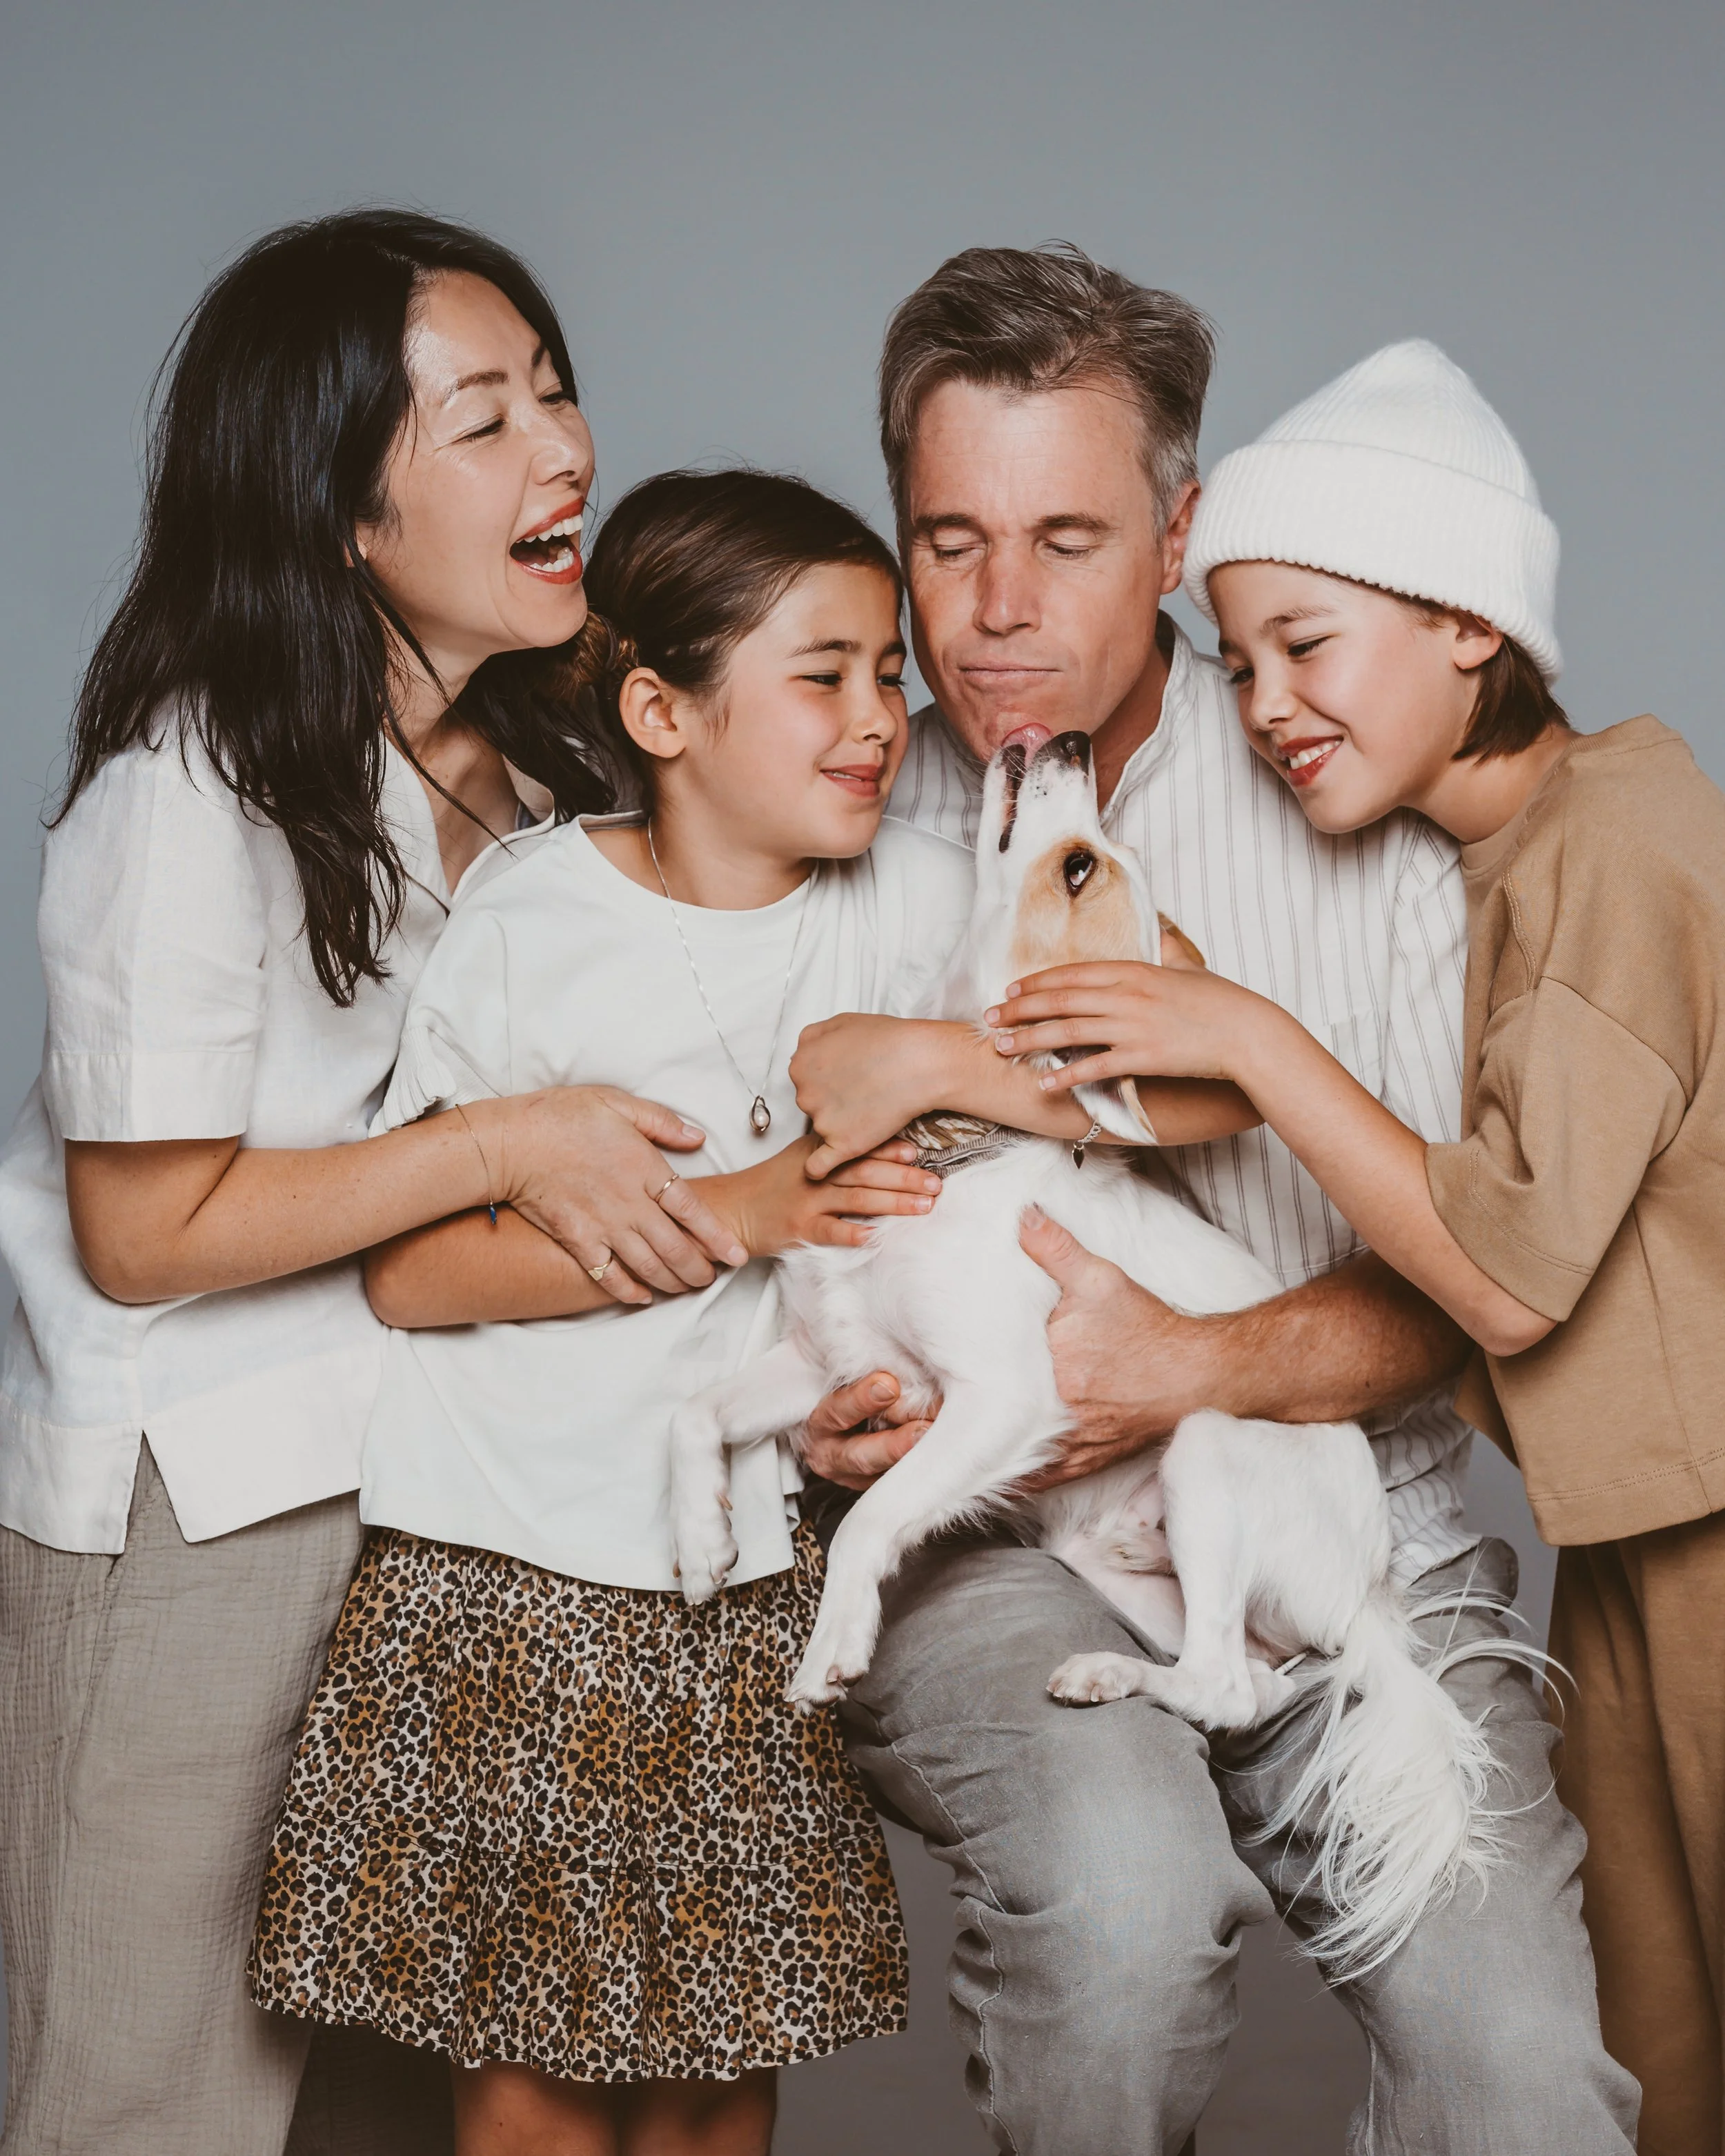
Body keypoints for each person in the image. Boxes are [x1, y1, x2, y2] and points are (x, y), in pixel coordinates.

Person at [788, 253, 1639, 2153]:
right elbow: (738, 1206)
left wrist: (1190, 1365)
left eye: (1067, 538)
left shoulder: (1346, 803)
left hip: (1344, 1493)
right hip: (973, 1538)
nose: (995, 609)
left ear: (1177, 533)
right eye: (947, 538)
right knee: (1118, 1914)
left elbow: (1475, 1274)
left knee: (1519, 2084)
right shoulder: (828, 798)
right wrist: (813, 1396)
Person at [246, 467, 1111, 2156]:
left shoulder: (923, 896)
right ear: (660, 709)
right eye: (823, 674)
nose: (879, 719)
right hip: (516, 1577)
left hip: (738, 1585)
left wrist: (855, 1397)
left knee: (716, 2086)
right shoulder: (537, 920)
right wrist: (746, 1210)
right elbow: (416, 1265)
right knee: (538, 2093)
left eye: (887, 673)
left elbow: (1138, 1083)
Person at [0, 211, 746, 2156]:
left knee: (391, 2092)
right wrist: (503, 1145)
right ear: (340, 508)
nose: (565, 456)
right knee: (152, 2092)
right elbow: (139, 1232)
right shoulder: (184, 793)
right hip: (198, 1514)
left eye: (559, 396)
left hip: (431, 1483)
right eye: (486, 421)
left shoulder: (531, 766)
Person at [998, 335, 1723, 2154]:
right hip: (1627, 1551)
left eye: (1306, 644)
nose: (1261, 703)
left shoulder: (1621, 837)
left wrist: (1242, 1034)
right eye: (1235, 661)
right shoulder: (1493, 863)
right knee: (1649, 2075)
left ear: (1469, 623)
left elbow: (1500, 1270)